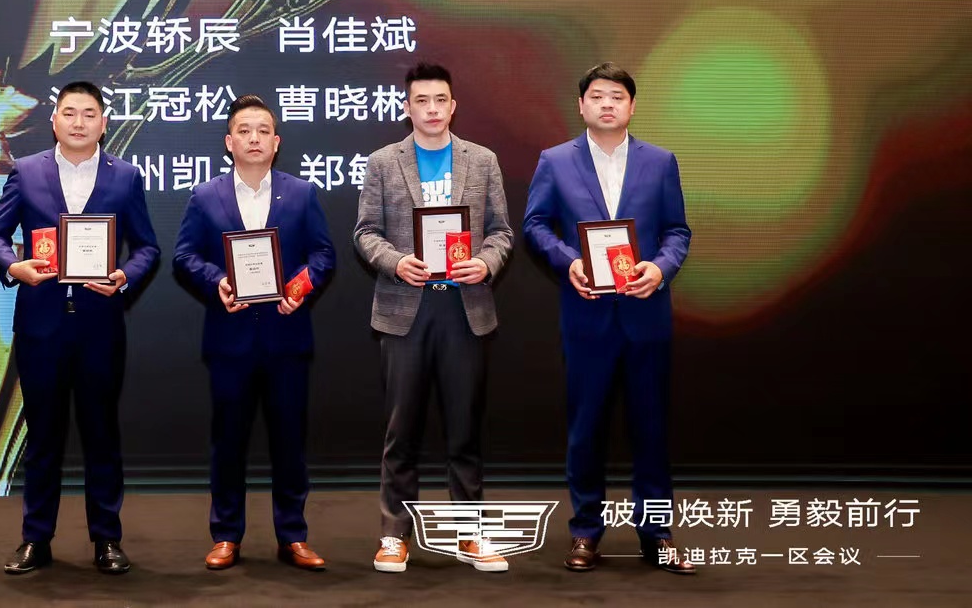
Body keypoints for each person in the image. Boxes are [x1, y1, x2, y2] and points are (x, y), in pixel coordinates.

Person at [522, 62, 695, 576]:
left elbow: (678, 232)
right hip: (587, 316)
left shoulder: (660, 162)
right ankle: (585, 532)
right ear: (581, 106)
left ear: (632, 106)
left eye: (617, 96)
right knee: (586, 428)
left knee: (651, 429)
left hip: (646, 314)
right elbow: (535, 224)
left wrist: (659, 269)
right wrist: (568, 261)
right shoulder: (555, 161)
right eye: (597, 96)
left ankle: (657, 535)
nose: (607, 104)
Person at [0, 81, 160, 576]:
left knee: (102, 434)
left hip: (100, 326)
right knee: (43, 436)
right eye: (69, 112)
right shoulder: (26, 170)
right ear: (54, 120)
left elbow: (147, 247)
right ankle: (35, 538)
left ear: (104, 122)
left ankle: (107, 538)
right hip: (41, 326)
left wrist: (124, 276)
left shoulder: (125, 176)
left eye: (88, 113)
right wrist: (12, 266)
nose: (78, 122)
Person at [353, 62, 513, 575]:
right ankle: (394, 534)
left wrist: (484, 263)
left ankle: (470, 533)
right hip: (406, 308)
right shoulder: (383, 162)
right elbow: (365, 232)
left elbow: (502, 232)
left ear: (453, 105)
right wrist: (395, 261)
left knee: (464, 429)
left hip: (465, 309)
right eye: (421, 101)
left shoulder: (482, 161)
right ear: (408, 108)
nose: (432, 109)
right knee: (401, 431)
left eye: (440, 100)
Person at [172, 95, 336, 572]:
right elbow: (184, 257)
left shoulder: (301, 193)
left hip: (287, 337)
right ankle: (226, 535)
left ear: (277, 141)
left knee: (290, 441)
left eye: (263, 130)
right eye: (244, 130)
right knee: (228, 442)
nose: (254, 138)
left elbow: (323, 256)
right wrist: (217, 282)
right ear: (229, 142)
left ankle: (293, 535)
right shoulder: (205, 196)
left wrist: (299, 288)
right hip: (230, 340)